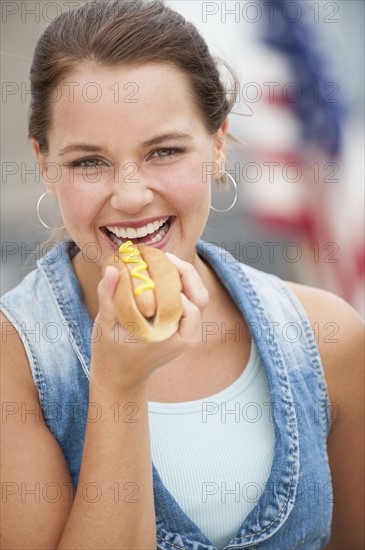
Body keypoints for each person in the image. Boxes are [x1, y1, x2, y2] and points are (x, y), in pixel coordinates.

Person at [1, 1, 363, 548]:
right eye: (88, 162)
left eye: (164, 151)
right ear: (46, 164)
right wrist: (119, 387)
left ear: (217, 147)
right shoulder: (15, 359)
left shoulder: (327, 336)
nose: (129, 195)